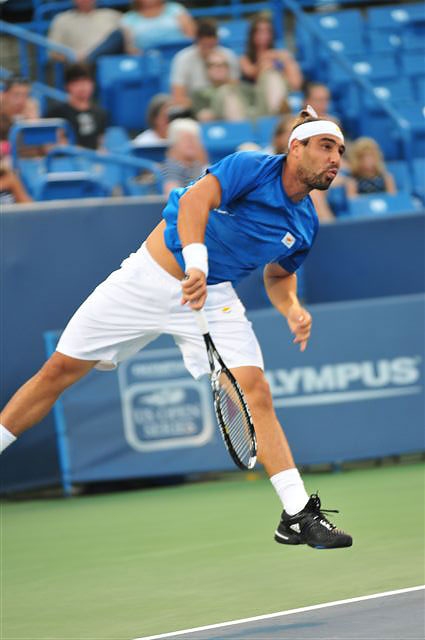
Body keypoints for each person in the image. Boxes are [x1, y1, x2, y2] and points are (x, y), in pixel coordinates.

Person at [0, 107, 353, 550]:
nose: (335, 158)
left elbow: (279, 276)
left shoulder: (304, 224)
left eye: (340, 151)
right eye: (325, 146)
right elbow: (193, 202)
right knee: (58, 372)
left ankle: (297, 514)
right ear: (295, 147)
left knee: (254, 391)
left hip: (213, 296)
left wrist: (292, 308)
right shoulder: (251, 167)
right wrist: (196, 264)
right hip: (149, 277)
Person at [240, 14, 303, 115]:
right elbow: (251, 73)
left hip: (282, 92)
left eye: (267, 31)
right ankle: (277, 113)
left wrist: (283, 61)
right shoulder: (245, 58)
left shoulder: (280, 55)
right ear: (252, 34)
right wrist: (264, 61)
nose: (264, 35)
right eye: (259, 31)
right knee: (270, 75)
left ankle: (278, 111)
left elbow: (296, 84)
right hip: (257, 100)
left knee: (275, 75)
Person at [170, 19, 240, 109]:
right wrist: (201, 105)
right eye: (204, 45)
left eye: (211, 45)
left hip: (225, 107)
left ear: (217, 40)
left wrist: (221, 76)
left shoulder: (228, 56)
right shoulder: (183, 59)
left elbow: (236, 91)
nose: (208, 50)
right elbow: (178, 98)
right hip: (193, 108)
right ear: (197, 41)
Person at [46, 64, 108, 150]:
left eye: (86, 81)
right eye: (77, 82)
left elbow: (101, 144)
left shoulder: (100, 113)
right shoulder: (55, 114)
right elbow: (48, 146)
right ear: (67, 86)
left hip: (93, 157)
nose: (83, 87)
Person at [48, 0, 124, 63]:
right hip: (79, 67)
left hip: (112, 63)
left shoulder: (112, 15)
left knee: (117, 35)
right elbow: (53, 53)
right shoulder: (62, 20)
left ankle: (88, 59)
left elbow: (127, 38)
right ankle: (88, 60)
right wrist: (71, 57)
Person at [192, 51, 253, 122]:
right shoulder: (199, 94)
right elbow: (202, 116)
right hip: (217, 126)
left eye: (222, 65)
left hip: (248, 123)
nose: (218, 68)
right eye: (212, 65)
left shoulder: (245, 88)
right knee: (226, 90)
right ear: (207, 70)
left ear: (228, 69)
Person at [122, 0, 196, 53]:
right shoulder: (128, 18)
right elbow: (130, 48)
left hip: (181, 52)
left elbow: (191, 35)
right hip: (146, 59)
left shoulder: (176, 9)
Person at [162, 118, 207, 196]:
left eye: (195, 139)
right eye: (186, 139)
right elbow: (173, 196)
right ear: (174, 143)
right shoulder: (170, 167)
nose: (191, 143)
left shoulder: (198, 166)